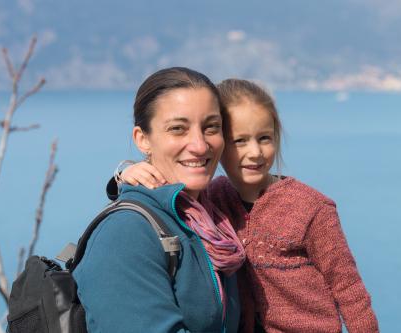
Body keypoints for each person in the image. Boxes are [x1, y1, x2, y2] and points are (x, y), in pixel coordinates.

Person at [116, 79, 379, 333]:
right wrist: (127, 173)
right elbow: (166, 191)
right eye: (239, 141)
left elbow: (349, 290)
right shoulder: (210, 197)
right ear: (216, 144)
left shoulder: (312, 208)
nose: (255, 152)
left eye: (264, 138)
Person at [73, 68, 245, 333]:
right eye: (178, 129)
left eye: (211, 127)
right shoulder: (125, 234)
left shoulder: (212, 223)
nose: (199, 145)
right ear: (143, 139)